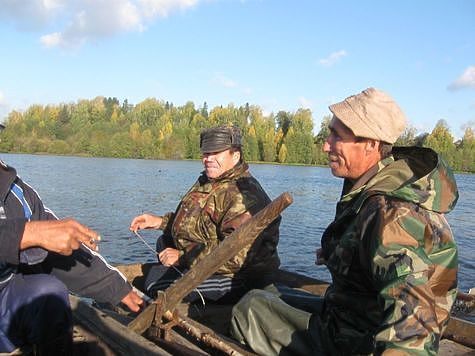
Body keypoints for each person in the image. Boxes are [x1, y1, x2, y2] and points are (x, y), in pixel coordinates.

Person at [230, 88, 459, 355]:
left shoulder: (392, 213)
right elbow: (382, 256)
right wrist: (337, 253)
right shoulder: (380, 186)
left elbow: (416, 314)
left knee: (248, 311)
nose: (326, 144)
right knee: (267, 291)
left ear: (372, 144)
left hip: (362, 341)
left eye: (337, 135)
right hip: (352, 316)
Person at [0, 147, 143, 354]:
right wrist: (25, 234)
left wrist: (117, 288)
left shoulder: (16, 191)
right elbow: (29, 233)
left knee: (48, 293)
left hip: (6, 296)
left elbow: (59, 249)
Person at [130, 125, 280, 303]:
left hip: (239, 278)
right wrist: (159, 222)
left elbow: (235, 255)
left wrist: (183, 257)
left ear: (236, 155)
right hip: (203, 262)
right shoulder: (210, 181)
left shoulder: (244, 194)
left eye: (216, 153)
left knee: (157, 283)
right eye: (206, 153)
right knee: (163, 242)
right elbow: (195, 223)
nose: (208, 159)